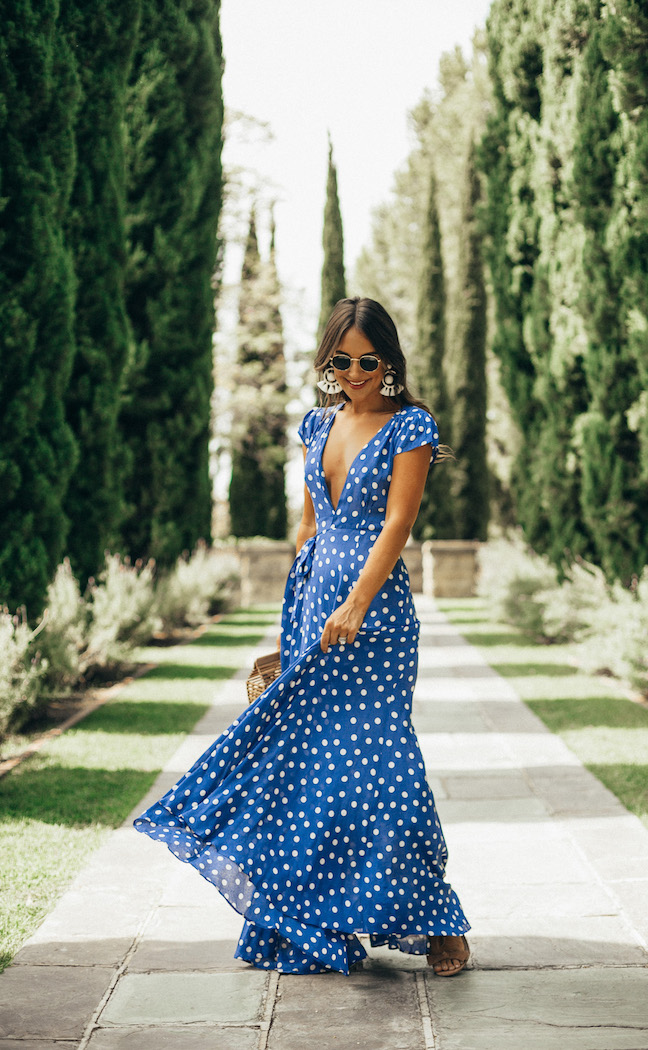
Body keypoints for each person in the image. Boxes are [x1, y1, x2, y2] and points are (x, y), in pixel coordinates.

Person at [134, 297, 471, 977]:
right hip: (313, 605)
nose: (354, 372)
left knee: (386, 770)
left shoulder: (411, 427)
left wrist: (356, 602)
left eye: (367, 361)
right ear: (327, 364)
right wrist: (294, 621)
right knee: (308, 773)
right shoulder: (317, 426)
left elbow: (397, 526)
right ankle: (321, 915)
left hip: (374, 622)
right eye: (340, 361)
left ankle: (439, 922)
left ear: (390, 363)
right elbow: (309, 525)